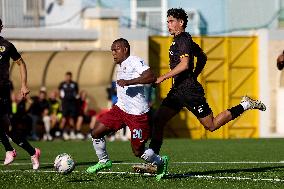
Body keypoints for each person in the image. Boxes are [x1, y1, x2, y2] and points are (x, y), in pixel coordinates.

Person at [133, 8, 266, 173]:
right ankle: (154, 161)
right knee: (159, 120)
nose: (168, 25)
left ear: (181, 23)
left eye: (171, 21)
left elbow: (184, 64)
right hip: (177, 91)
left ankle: (245, 105)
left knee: (211, 125)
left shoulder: (183, 39)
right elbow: (202, 57)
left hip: (189, 92)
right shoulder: (181, 40)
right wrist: (194, 74)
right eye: (167, 21)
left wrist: (163, 77)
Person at [86, 38, 168, 181]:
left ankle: (160, 162)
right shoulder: (121, 65)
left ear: (125, 49)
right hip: (120, 109)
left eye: (116, 49)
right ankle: (104, 161)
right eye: (112, 50)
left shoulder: (134, 61)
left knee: (138, 152)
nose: (113, 52)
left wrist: (129, 82)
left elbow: (150, 76)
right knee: (96, 132)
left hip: (138, 115)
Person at [0, 18, 40, 169]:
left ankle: (11, 150)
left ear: (1, 27)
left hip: (2, 90)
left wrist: (24, 85)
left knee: (6, 128)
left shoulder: (6, 46)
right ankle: (31, 151)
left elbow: (21, 63)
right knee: (6, 128)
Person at [58, 71, 79, 140]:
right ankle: (62, 133)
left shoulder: (74, 84)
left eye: (69, 76)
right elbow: (60, 94)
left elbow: (76, 93)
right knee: (64, 119)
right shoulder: (62, 84)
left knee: (71, 119)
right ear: (65, 77)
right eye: (67, 76)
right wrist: (61, 103)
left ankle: (72, 132)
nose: (68, 78)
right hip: (65, 104)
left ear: (71, 77)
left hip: (72, 104)